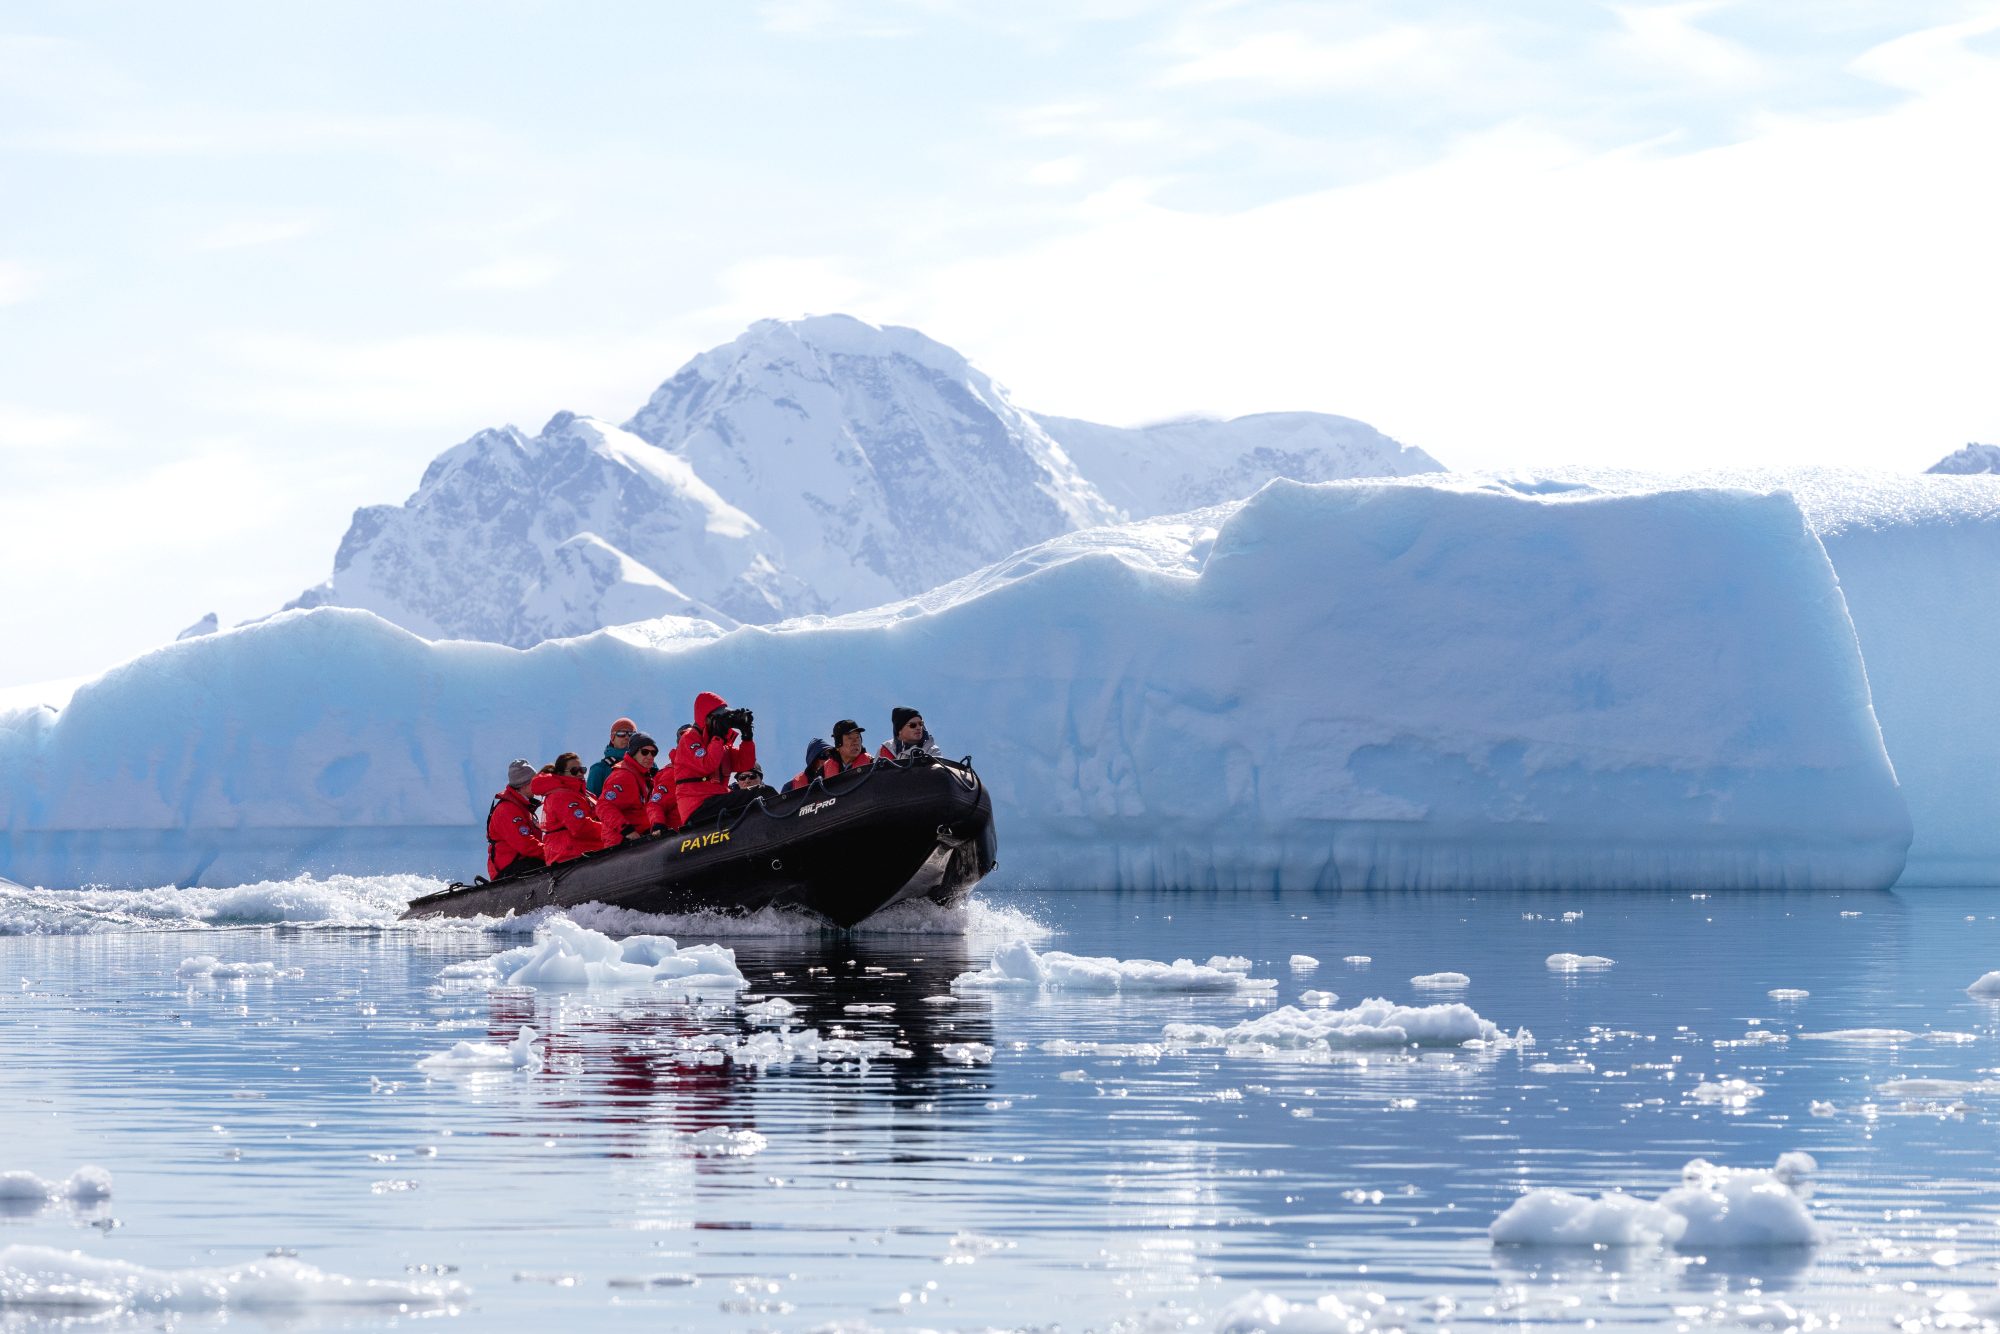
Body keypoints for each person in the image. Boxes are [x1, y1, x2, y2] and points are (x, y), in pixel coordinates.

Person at [674, 692, 757, 825]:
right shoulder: (689, 738)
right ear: (707, 718)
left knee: (761, 793)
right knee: (760, 792)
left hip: (717, 800)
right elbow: (707, 764)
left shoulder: (720, 745)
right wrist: (718, 736)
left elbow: (746, 764)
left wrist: (747, 736)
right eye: (720, 716)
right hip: (698, 805)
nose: (724, 722)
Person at [535, 751, 605, 863]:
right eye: (574, 770)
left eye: (582, 769)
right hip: (569, 857)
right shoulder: (559, 796)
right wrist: (611, 829)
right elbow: (580, 827)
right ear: (561, 774)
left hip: (590, 851)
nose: (580, 773)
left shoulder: (585, 794)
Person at [486, 759, 546, 881]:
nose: (538, 784)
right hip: (509, 869)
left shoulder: (522, 806)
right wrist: (551, 852)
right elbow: (526, 844)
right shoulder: (507, 810)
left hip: (522, 863)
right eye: (534, 781)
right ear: (524, 784)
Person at [598, 732, 661, 845]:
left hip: (639, 839)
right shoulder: (623, 775)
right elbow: (603, 806)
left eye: (653, 753)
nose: (650, 756)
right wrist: (627, 831)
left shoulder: (643, 776)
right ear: (633, 752)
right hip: (621, 843)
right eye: (645, 752)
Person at [586, 718, 637, 796]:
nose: (627, 737)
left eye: (631, 734)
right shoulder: (599, 769)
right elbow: (592, 800)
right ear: (612, 738)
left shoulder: (647, 764)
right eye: (621, 733)